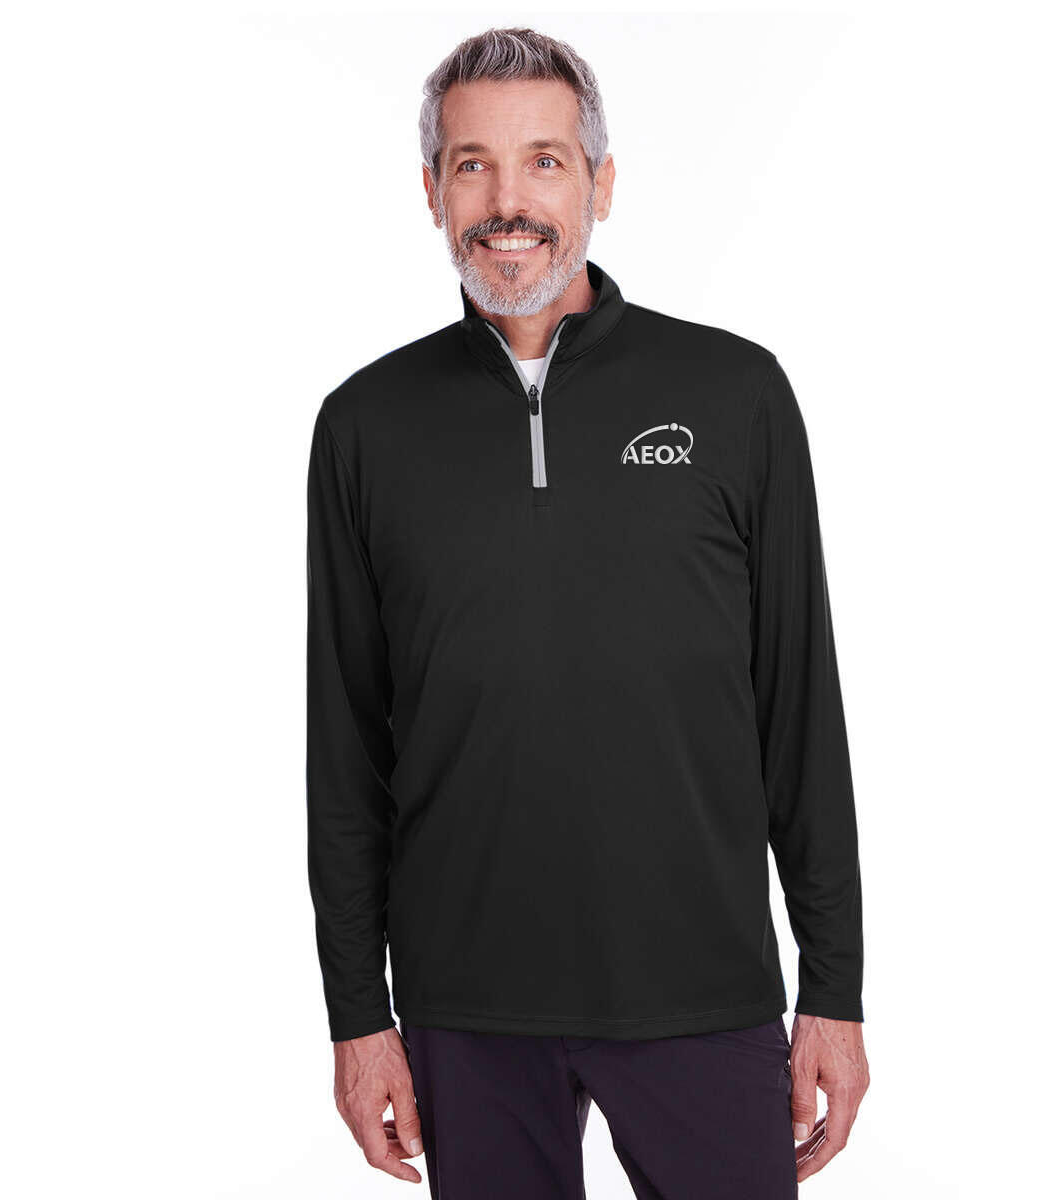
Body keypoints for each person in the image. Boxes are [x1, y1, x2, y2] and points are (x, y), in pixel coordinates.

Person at [306, 25, 869, 1198]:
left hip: (700, 986)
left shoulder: (735, 395)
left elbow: (799, 710)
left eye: (545, 161)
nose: (507, 201)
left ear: (601, 183)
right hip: (466, 1006)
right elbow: (345, 750)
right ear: (431, 191)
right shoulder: (365, 427)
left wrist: (835, 985)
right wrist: (359, 1016)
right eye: (472, 164)